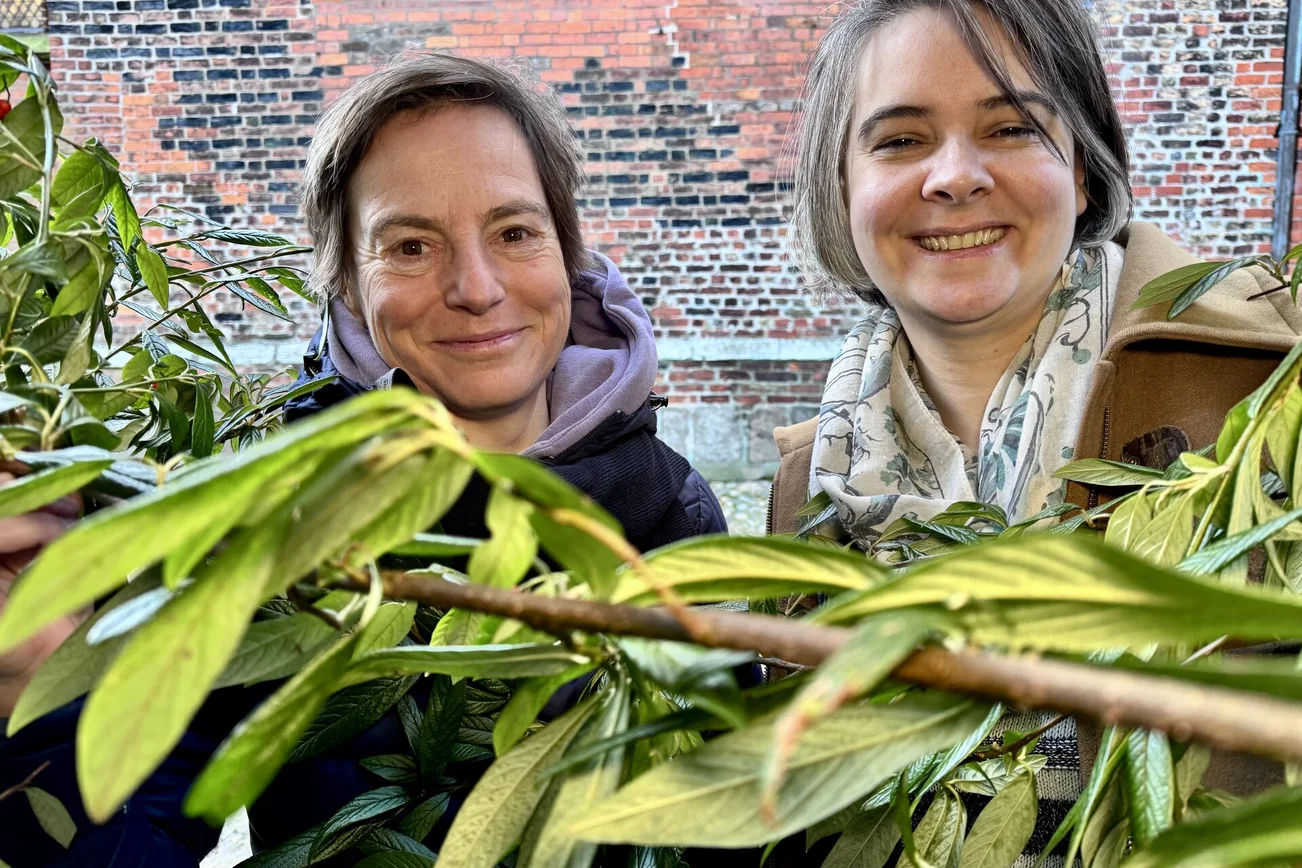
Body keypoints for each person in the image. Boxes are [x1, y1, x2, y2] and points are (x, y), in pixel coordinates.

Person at [0, 53, 727, 867]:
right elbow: (138, 840)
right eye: (411, 246)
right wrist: (36, 701)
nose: (477, 288)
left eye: (515, 232)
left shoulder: (673, 511)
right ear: (344, 279)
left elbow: (717, 825)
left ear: (566, 250)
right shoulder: (269, 525)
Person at [765, 0, 1300, 862]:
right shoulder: (812, 492)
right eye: (899, 140)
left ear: (1083, 167)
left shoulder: (1272, 388)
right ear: (843, 190)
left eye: (1010, 127)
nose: (954, 176)